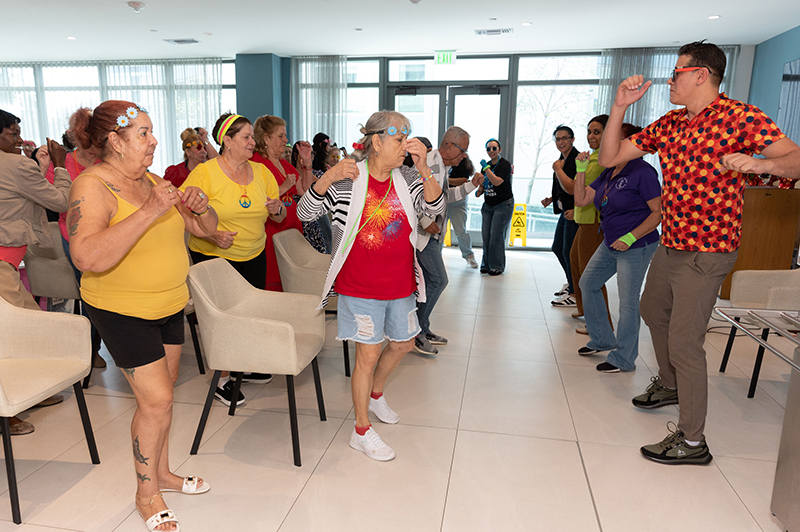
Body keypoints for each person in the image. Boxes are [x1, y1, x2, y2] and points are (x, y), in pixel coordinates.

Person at [599, 41, 800, 465]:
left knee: (685, 341)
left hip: (708, 251)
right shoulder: (671, 123)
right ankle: (671, 385)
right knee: (653, 312)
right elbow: (611, 155)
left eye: (676, 73)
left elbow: (796, 161)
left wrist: (759, 164)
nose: (670, 80)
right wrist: (618, 107)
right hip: (671, 243)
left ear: (701, 75)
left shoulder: (741, 117)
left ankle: (693, 442)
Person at [67, 100, 219, 531]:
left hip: (169, 305)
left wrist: (201, 205)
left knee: (161, 397)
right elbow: (86, 255)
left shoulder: (152, 181)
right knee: (157, 401)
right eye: (143, 134)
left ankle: (163, 473)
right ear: (114, 142)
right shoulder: (92, 186)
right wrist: (151, 209)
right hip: (122, 311)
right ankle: (146, 493)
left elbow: (205, 232)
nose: (154, 141)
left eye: (152, 132)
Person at [297, 110, 444, 461]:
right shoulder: (348, 179)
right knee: (369, 353)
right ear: (376, 142)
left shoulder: (408, 177)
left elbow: (434, 207)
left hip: (400, 283)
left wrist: (425, 169)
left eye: (408, 138)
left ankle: (376, 394)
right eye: (399, 139)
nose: (406, 146)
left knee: (405, 343)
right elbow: (304, 213)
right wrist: (327, 176)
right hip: (359, 286)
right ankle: (361, 430)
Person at [184, 113, 285, 405]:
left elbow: (276, 215)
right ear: (227, 141)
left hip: (253, 254)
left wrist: (277, 208)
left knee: (249, 313)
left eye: (253, 137)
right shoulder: (206, 173)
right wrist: (211, 235)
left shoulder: (262, 172)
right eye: (246, 137)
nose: (253, 142)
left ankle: (243, 364)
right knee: (223, 318)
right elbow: (183, 211)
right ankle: (223, 379)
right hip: (214, 257)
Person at [0, 109, 71, 436]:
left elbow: (23, 194)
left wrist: (38, 167)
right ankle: (9, 411)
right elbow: (60, 201)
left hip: (8, 266)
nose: (18, 138)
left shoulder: (16, 166)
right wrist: (59, 165)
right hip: (3, 265)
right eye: (13, 132)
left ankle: (28, 394)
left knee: (26, 328)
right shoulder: (15, 165)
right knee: (15, 336)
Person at [574, 123, 661, 373]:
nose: (607, 146)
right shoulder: (609, 171)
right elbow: (581, 200)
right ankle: (602, 338)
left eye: (615, 141)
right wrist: (580, 170)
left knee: (628, 302)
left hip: (636, 245)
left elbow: (658, 213)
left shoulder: (643, 172)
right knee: (588, 283)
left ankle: (624, 358)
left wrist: (631, 238)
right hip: (611, 241)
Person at [413, 127, 480, 356]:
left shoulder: (442, 166)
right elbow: (409, 195)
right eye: (463, 150)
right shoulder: (429, 164)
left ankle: (422, 328)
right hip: (422, 237)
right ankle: (417, 332)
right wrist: (423, 219)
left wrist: (471, 185)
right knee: (439, 280)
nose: (464, 156)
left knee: (427, 284)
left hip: (432, 235)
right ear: (449, 146)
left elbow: (444, 198)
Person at [559, 116, 613, 332]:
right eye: (589, 131)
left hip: (594, 222)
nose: (591, 136)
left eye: (597, 132)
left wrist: (558, 170)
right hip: (584, 219)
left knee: (592, 274)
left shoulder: (601, 160)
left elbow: (574, 188)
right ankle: (585, 309)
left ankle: (601, 323)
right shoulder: (593, 157)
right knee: (575, 263)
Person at [251, 115, 304, 291]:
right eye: (280, 136)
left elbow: (303, 191)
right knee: (275, 277)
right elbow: (259, 199)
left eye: (285, 135)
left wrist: (308, 164)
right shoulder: (256, 163)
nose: (286, 140)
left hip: (291, 228)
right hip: (273, 228)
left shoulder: (284, 163)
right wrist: (283, 187)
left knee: (292, 278)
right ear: (266, 138)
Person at [542, 126, 579, 306]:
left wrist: (557, 169)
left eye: (565, 138)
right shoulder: (562, 160)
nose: (561, 142)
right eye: (558, 139)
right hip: (565, 211)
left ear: (572, 139)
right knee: (558, 247)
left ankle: (574, 293)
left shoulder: (576, 160)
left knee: (568, 251)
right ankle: (571, 283)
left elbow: (574, 187)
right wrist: (552, 198)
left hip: (574, 212)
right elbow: (563, 186)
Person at [475, 138, 513, 275]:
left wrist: (486, 168)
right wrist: (479, 189)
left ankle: (497, 266)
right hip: (488, 204)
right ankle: (486, 264)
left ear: (499, 150)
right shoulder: (486, 166)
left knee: (496, 236)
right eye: (488, 149)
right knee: (486, 236)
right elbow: (484, 184)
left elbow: (496, 182)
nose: (491, 151)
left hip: (503, 204)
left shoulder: (504, 165)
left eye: (494, 148)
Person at [291, 141, 326, 253]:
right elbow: (306, 193)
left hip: (315, 216)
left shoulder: (312, 173)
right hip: (302, 220)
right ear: (297, 156)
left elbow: (323, 185)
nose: (309, 157)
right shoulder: (292, 173)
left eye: (311, 154)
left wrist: (308, 167)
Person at [446, 157, 479, 269]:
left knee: (460, 230)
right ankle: (436, 256)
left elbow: (463, 180)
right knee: (439, 231)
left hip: (458, 201)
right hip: (443, 199)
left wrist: (445, 180)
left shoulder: (464, 163)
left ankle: (469, 255)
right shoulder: (444, 160)